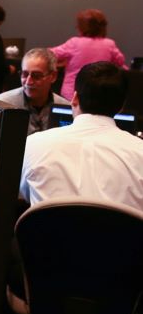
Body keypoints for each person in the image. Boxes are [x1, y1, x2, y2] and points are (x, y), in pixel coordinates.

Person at [19, 62, 143, 209]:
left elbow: (24, 194)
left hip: (50, 232)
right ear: (122, 107)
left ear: (75, 98)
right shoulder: (139, 152)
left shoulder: (34, 144)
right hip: (121, 232)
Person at [50, 8, 127, 100]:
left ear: (82, 27)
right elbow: (120, 61)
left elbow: (48, 54)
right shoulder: (109, 44)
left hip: (72, 93)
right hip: (100, 93)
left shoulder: (74, 43)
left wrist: (61, 62)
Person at [0, 48, 69, 135]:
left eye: (36, 76)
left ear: (53, 76)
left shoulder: (66, 107)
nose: (28, 81)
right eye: (24, 74)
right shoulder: (2, 104)